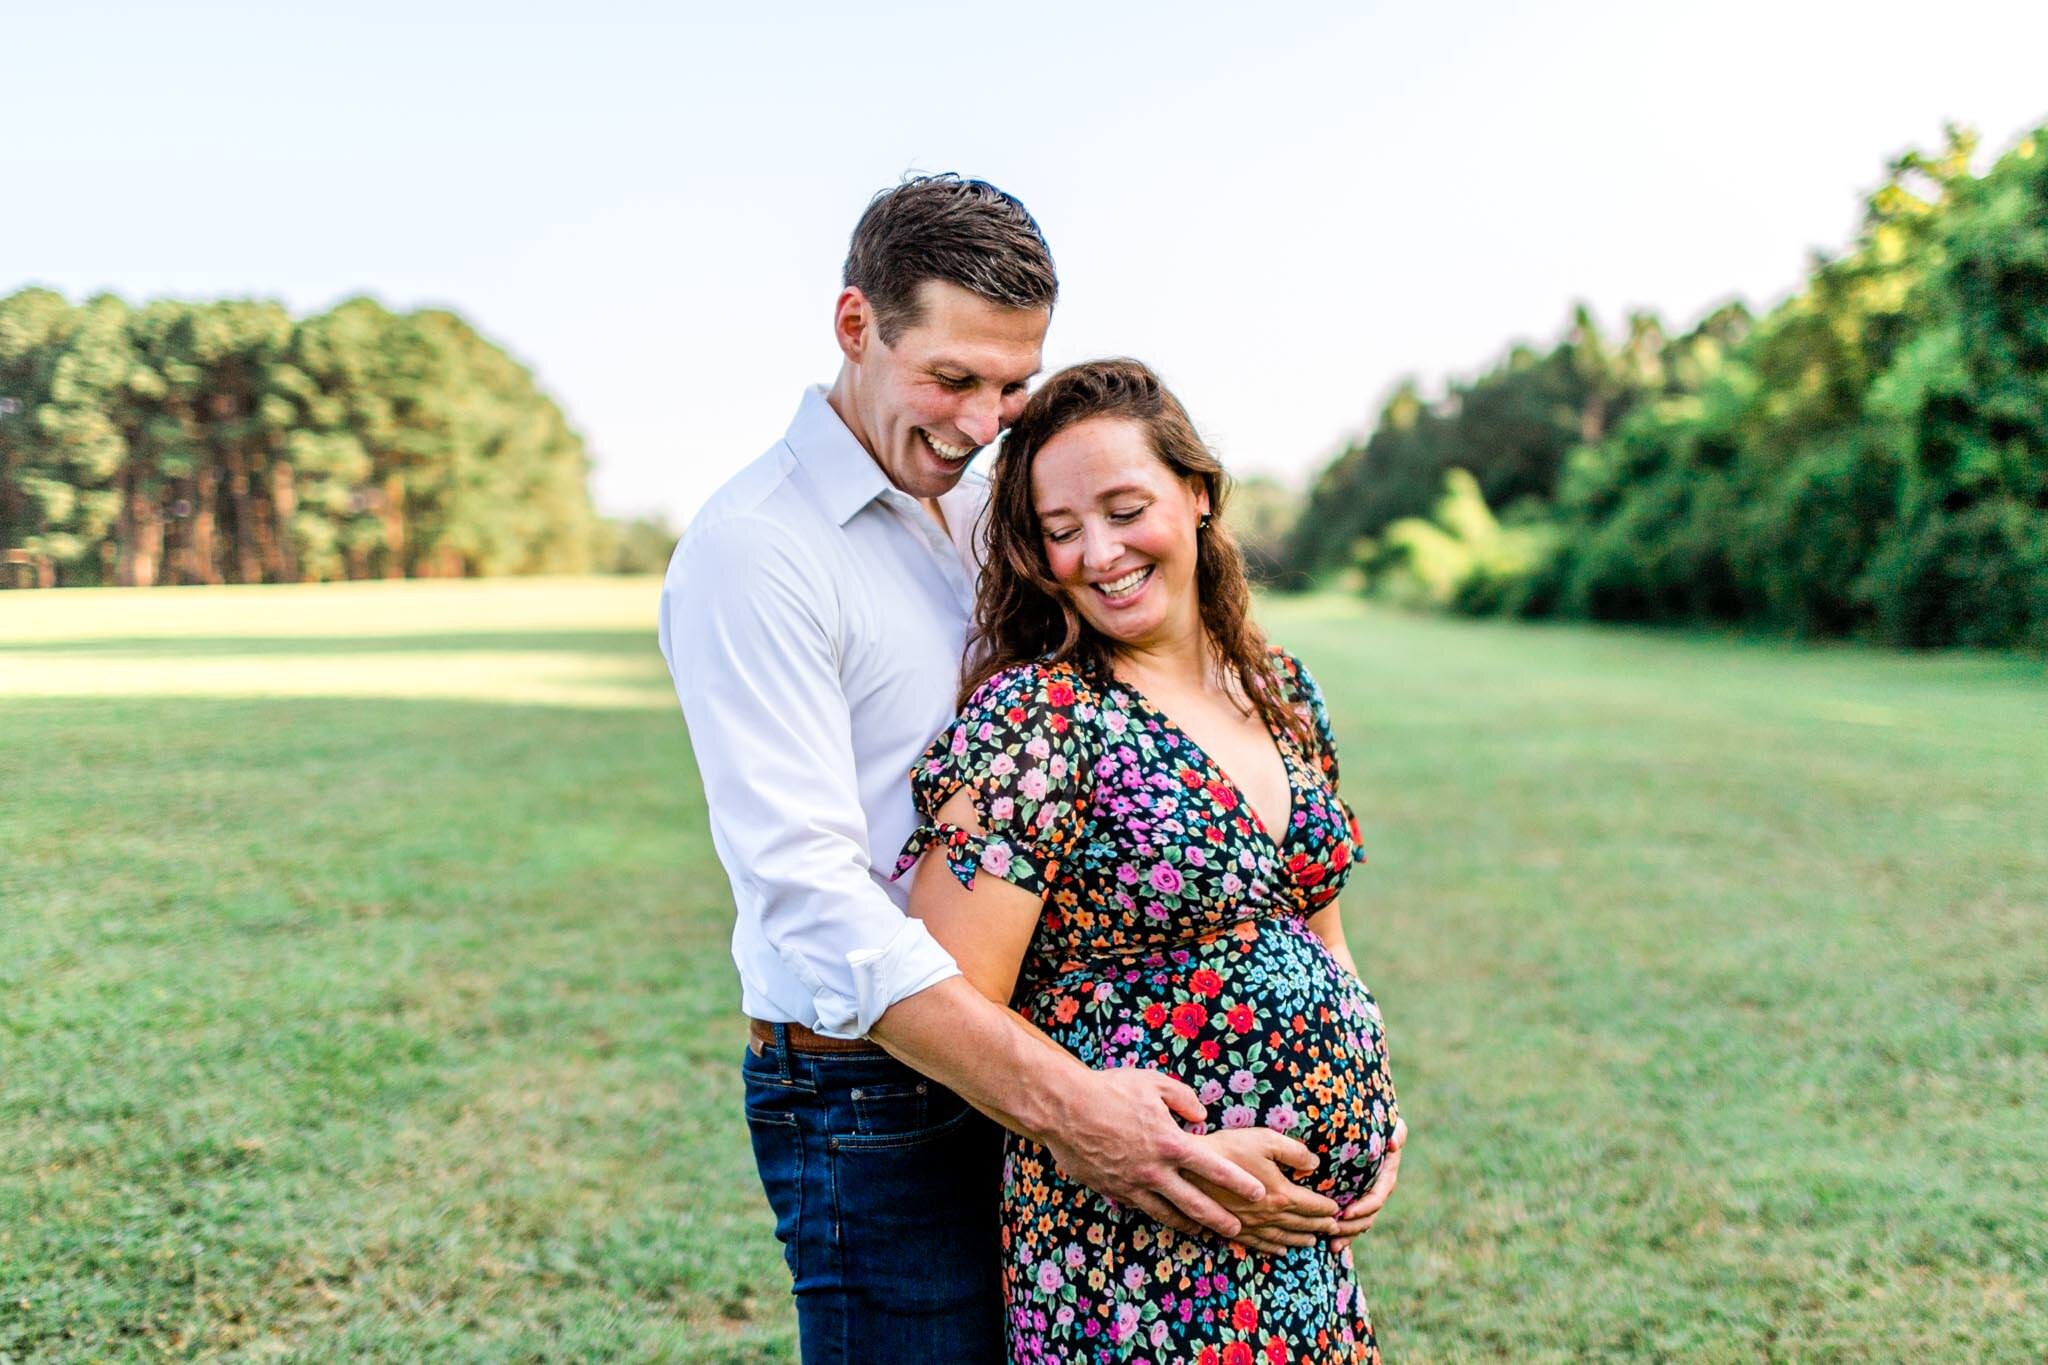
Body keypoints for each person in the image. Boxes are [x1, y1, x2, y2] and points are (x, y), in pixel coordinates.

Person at [659, 177, 1395, 1363]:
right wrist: (1072, 1108)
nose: (979, 421)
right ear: (856, 328)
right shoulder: (757, 554)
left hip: (1045, 1065)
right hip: (874, 1098)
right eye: (951, 379)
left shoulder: (980, 499)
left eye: (1010, 385)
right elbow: (805, 892)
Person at [895, 358, 1407, 1364]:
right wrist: (1158, 1153)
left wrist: (1369, 1105)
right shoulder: (1037, 721)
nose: (1099, 552)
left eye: (1125, 508)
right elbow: (949, 1001)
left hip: (1299, 1245)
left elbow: (1320, 931)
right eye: (1060, 528)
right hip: (1130, 1249)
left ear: (1198, 493)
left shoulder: (1281, 693)